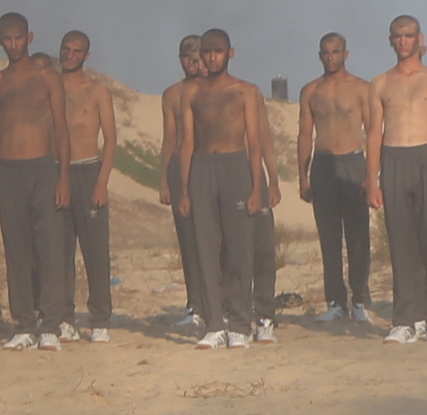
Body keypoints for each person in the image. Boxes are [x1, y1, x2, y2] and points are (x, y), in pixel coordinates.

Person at [170, 28, 278, 345]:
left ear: (230, 53)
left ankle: (241, 325)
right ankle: (214, 324)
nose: (212, 56)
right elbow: (186, 142)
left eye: (218, 50)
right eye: (207, 51)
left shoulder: (246, 91)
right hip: (203, 168)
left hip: (236, 167)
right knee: (205, 249)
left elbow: (256, 143)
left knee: (239, 250)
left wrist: (258, 186)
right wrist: (185, 189)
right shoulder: (191, 94)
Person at [367, 15, 427, 342]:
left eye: (409, 35)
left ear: (419, 38)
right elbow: (373, 135)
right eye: (397, 36)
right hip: (395, 160)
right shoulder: (380, 83)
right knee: (401, 243)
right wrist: (372, 179)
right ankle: (405, 319)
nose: (403, 41)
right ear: (391, 40)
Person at [0, 13, 70, 346]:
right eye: (8, 39)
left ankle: (50, 326)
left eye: (19, 38)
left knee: (48, 249)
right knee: (16, 249)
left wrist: (63, 178)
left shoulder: (48, 78)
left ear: (30, 38)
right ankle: (23, 325)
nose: (14, 45)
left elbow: (61, 128)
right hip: (7, 170)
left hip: (43, 168)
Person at [294, 31, 377, 326]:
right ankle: (335, 300)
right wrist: (303, 177)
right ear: (320, 56)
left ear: (346, 54)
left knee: (358, 237)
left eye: (335, 52)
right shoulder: (310, 91)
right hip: (323, 165)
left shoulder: (361, 89)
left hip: (353, 162)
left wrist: (371, 176)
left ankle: (360, 299)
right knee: (329, 237)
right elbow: (305, 134)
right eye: (325, 53)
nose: (330, 57)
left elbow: (374, 133)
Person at [53, 29, 117, 339]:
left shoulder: (97, 91)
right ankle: (64, 317)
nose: (69, 55)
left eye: (76, 51)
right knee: (60, 250)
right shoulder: (49, 87)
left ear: (86, 56)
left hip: (88, 170)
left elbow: (111, 139)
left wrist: (102, 182)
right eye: (65, 49)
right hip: (56, 172)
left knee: (95, 251)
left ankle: (100, 319)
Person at [156, 36, 204, 326]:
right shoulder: (172, 94)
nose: (193, 62)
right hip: (180, 169)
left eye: (197, 56)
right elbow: (169, 139)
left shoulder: (214, 90)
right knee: (188, 240)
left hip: (209, 164)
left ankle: (221, 300)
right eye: (187, 57)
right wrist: (164, 180)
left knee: (217, 237)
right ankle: (194, 304)